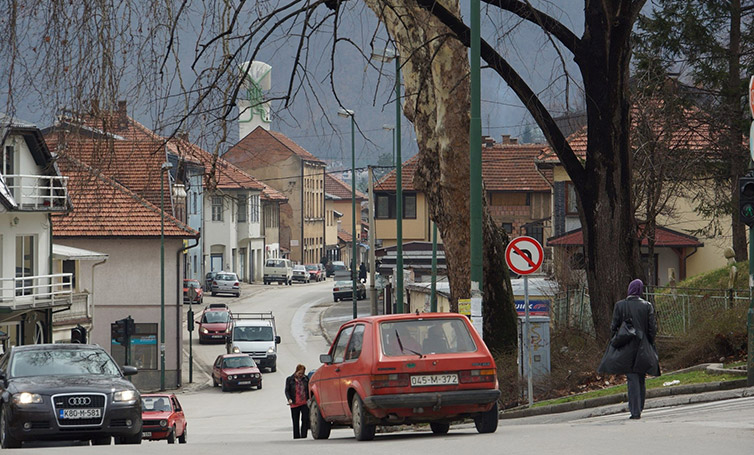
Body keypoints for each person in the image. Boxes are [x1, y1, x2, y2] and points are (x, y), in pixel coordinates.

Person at [598, 279, 660, 420]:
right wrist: (650, 342)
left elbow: (613, 326)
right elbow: (652, 329)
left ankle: (635, 411)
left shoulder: (620, 305)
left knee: (631, 378)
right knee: (641, 377)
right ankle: (640, 407)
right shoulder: (647, 306)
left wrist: (616, 339)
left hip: (626, 347)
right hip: (643, 346)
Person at [285, 364, 310, 439]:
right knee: (295, 421)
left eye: (302, 373)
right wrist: (289, 399)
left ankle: (304, 435)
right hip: (294, 403)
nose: (301, 375)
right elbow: (287, 390)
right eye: (299, 373)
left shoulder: (306, 379)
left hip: (304, 403)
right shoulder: (289, 379)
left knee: (305, 419)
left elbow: (308, 389)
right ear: (296, 371)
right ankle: (296, 436)